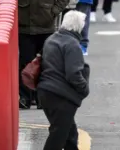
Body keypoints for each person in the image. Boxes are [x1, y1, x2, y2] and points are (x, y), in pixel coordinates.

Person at [7, 0, 71, 109]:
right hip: (25, 26)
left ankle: (42, 98)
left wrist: (54, 11)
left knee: (45, 64)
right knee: (25, 63)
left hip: (46, 25)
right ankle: (25, 98)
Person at [37, 10, 90, 150]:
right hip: (61, 96)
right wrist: (84, 89)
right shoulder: (72, 44)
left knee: (70, 134)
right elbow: (73, 74)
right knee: (58, 135)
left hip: (45, 92)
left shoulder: (52, 39)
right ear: (78, 26)